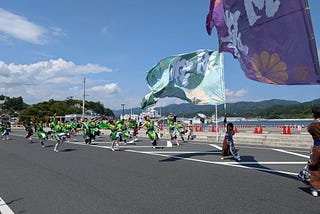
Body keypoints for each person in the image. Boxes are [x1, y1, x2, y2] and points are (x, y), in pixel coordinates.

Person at [299, 106, 320, 197]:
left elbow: (309, 130)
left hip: (317, 147)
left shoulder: (312, 125)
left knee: (315, 167)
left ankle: (314, 188)